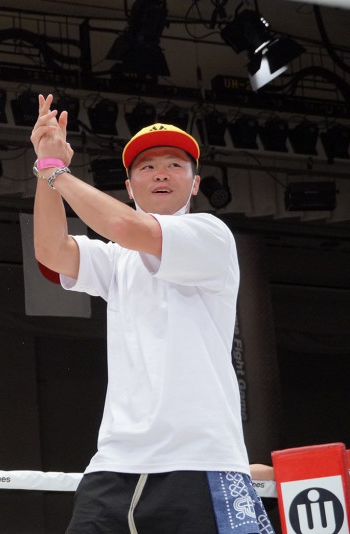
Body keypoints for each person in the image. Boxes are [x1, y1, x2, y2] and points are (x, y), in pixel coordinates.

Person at [30, 94, 274, 534]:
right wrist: (45, 167)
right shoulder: (117, 258)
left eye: (175, 164)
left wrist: (57, 173)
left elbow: (125, 226)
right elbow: (51, 251)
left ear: (195, 184)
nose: (161, 172)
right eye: (147, 166)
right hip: (114, 464)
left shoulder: (212, 236)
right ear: (129, 187)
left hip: (200, 460)